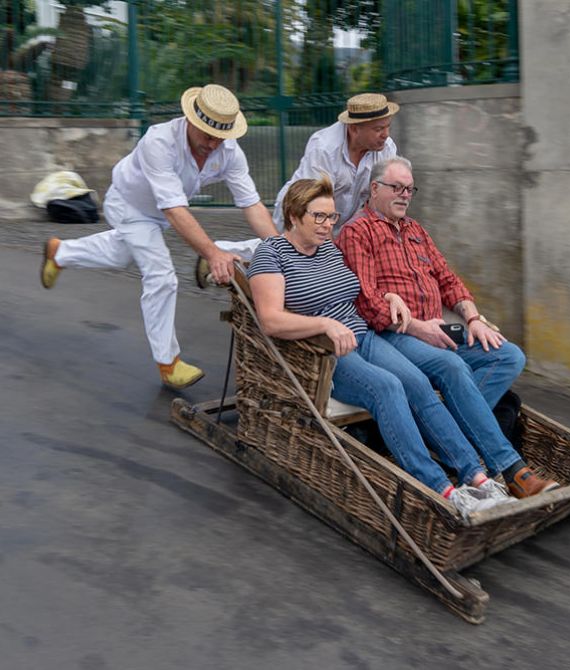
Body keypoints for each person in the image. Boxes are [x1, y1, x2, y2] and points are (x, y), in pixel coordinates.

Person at [247, 176, 531, 518]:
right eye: (318, 217)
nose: (327, 225)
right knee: (388, 387)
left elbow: (358, 291)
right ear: (293, 216)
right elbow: (271, 320)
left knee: (418, 384)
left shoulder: (330, 251)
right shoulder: (272, 254)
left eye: (331, 217)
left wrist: (389, 296)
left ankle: (478, 477)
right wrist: (324, 324)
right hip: (324, 351)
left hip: (363, 336)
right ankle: (441, 487)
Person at [337, 157, 558, 499]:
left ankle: (441, 431)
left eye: (410, 189)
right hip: (397, 335)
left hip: (440, 331)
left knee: (508, 355)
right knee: (451, 366)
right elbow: (368, 301)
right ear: (375, 188)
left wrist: (471, 318)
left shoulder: (415, 230)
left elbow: (448, 279)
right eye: (397, 187)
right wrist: (417, 327)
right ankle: (512, 469)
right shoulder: (358, 231)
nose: (405, 195)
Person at [40, 83, 278, 389]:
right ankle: (168, 362)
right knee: (161, 274)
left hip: (156, 215)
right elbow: (175, 211)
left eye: (221, 137)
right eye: (208, 134)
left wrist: (280, 247)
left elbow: (252, 204)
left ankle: (60, 253)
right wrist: (213, 253)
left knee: (121, 253)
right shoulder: (159, 140)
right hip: (128, 204)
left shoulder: (229, 151)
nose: (213, 144)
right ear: (191, 120)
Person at [196, 92, 398, 286]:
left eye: (387, 127)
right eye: (378, 129)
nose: (386, 134)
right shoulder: (325, 147)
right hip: (302, 208)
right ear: (354, 129)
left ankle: (226, 253)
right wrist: (331, 261)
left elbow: (380, 199)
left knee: (313, 258)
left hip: (337, 217)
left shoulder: (386, 148)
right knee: (295, 258)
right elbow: (316, 203)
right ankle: (221, 256)